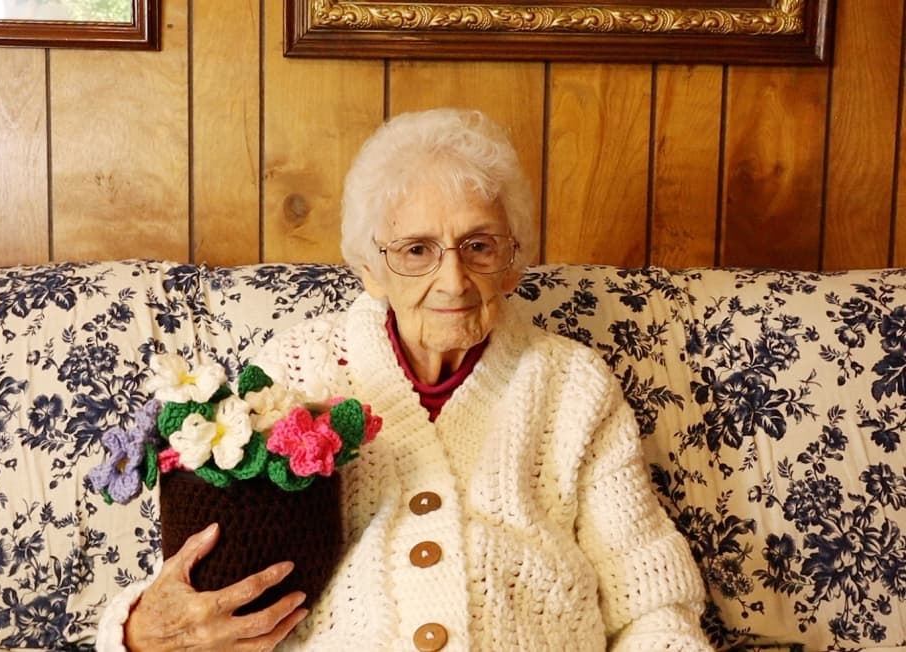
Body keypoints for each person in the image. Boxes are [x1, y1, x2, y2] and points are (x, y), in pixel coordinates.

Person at [96, 108, 713, 651]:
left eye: (479, 245)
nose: (452, 280)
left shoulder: (572, 385)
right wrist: (137, 634)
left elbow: (651, 598)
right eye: (416, 249)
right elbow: (200, 575)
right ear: (370, 268)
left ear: (513, 261)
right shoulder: (292, 372)